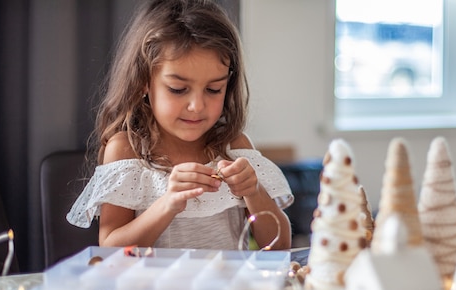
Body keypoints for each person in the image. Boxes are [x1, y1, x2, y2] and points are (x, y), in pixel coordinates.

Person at [67, 0, 293, 251]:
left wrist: (254, 191)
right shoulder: (126, 150)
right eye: (178, 89)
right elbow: (110, 249)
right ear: (144, 81)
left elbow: (279, 246)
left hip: (225, 289)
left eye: (213, 89)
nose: (197, 105)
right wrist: (168, 203)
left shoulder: (234, 147)